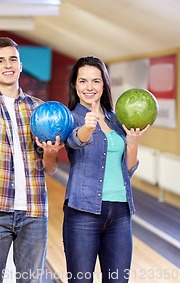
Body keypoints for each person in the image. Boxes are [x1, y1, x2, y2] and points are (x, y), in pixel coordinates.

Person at [0, 36, 64, 283]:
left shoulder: (39, 109)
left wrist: (51, 153)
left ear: (20, 65)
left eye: (12, 60)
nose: (7, 65)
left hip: (33, 211)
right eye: (0, 61)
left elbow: (49, 169)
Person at [63, 56, 149, 282]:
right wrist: (87, 128)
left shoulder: (115, 120)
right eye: (83, 81)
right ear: (75, 85)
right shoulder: (70, 118)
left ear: (104, 84)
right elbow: (73, 142)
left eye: (95, 81)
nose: (89, 87)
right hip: (83, 212)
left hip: (120, 212)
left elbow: (127, 170)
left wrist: (133, 141)